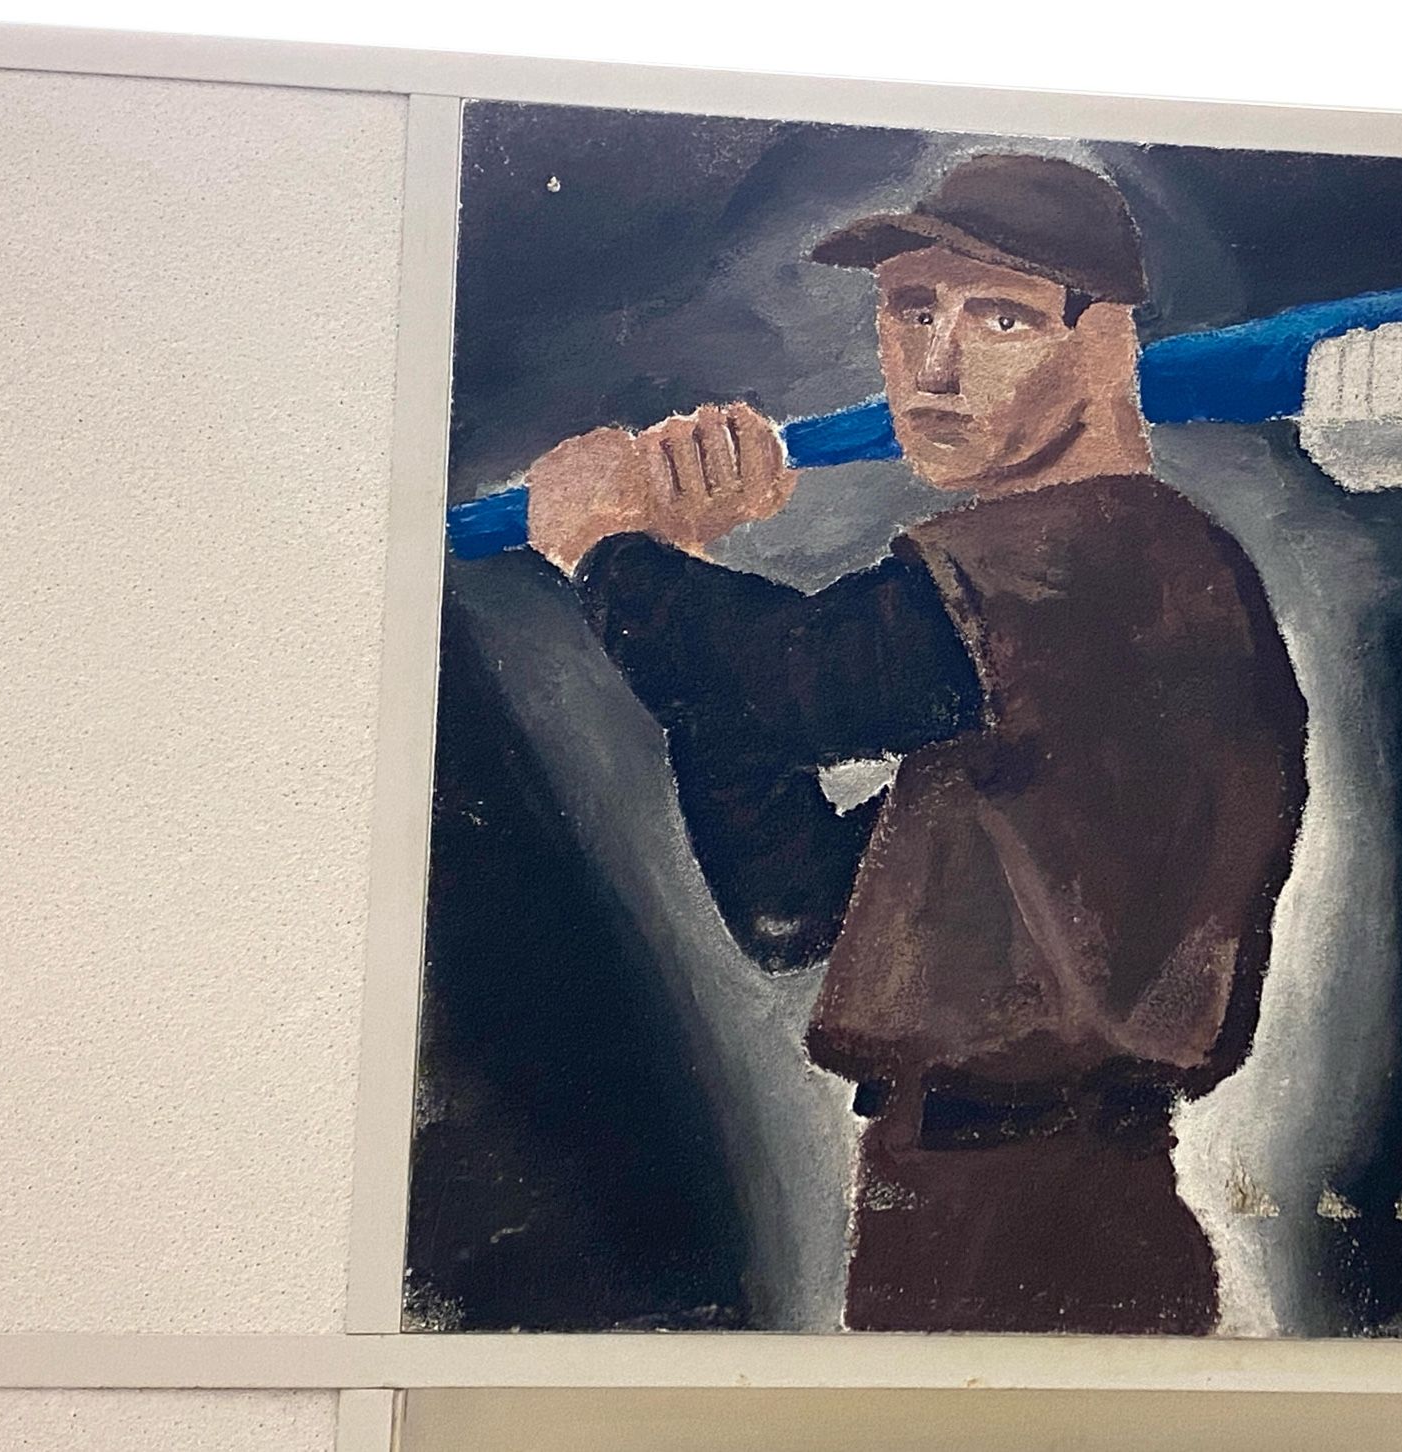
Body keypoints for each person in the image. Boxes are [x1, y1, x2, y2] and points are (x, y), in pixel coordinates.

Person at [523, 153, 1309, 1334]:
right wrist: (684, 577)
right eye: (909, 310)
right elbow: (793, 910)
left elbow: (781, 680)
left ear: (1104, 346)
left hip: (1036, 1208)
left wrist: (609, 546)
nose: (934, 366)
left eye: (1000, 316)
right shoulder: (1062, 604)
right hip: (966, 1195)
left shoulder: (1091, 559)